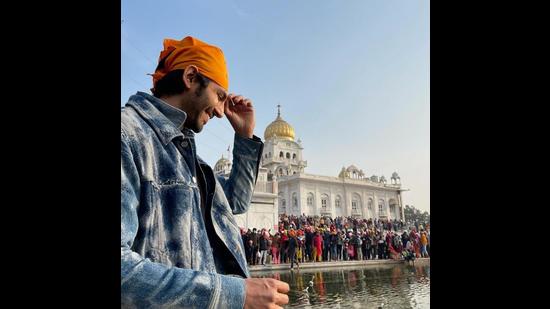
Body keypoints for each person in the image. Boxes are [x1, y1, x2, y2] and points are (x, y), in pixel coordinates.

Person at [121, 36, 289, 308]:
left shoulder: (188, 158)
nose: (222, 112)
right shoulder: (129, 135)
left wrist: (245, 139)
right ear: (190, 77)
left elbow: (233, 202)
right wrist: (235, 295)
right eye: (220, 96)